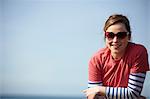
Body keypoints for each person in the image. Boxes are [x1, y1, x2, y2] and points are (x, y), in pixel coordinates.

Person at [82, 14, 149, 99]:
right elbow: (93, 96)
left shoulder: (138, 52)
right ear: (105, 36)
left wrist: (99, 89)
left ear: (129, 36)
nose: (115, 40)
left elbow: (133, 93)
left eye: (121, 35)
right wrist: (125, 94)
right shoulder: (96, 59)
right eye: (110, 35)